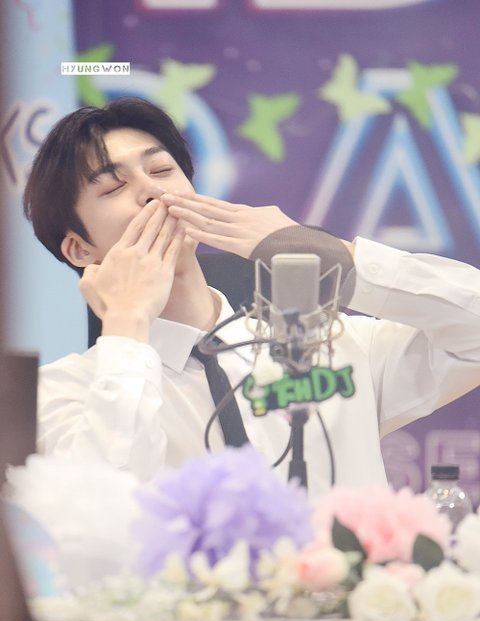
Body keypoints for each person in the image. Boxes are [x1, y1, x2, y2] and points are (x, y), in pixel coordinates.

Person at [23, 97, 480, 495]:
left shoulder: (330, 345)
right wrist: (126, 322)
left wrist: (338, 259)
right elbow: (102, 509)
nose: (153, 191)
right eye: (113, 186)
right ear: (79, 249)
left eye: (161, 170)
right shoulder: (61, 392)